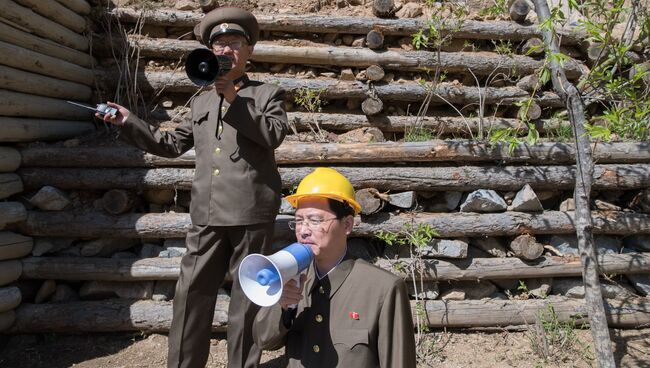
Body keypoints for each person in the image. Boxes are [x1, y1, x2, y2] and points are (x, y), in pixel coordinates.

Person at [97, 7, 288, 368]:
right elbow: (168, 144)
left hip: (251, 215)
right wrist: (128, 121)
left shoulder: (268, 94)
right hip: (205, 215)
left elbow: (272, 135)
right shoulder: (200, 100)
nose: (225, 50)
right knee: (189, 297)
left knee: (246, 302)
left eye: (234, 43)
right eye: (219, 44)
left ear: (249, 51)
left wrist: (233, 96)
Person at [252, 167, 416, 367]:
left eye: (315, 220)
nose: (303, 230)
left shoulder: (383, 288)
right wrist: (283, 309)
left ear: (347, 225)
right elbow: (264, 341)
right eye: (298, 221)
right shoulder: (292, 276)